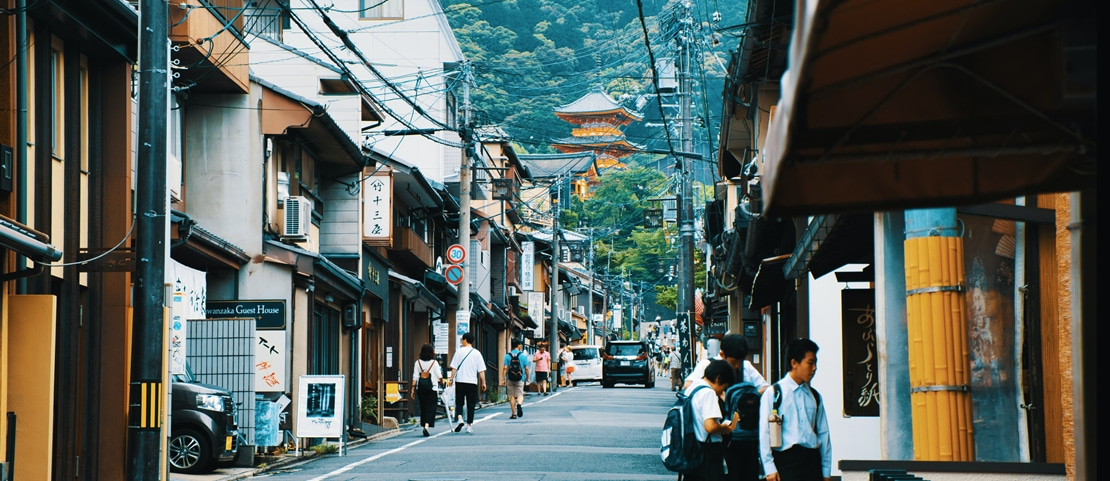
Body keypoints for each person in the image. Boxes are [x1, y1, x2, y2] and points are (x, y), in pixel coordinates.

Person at [759, 338, 831, 481]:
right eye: (810, 363)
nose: (814, 368)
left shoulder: (815, 396)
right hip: (786, 463)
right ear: (794, 363)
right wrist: (769, 468)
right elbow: (764, 433)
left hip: (812, 462)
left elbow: (824, 435)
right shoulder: (774, 393)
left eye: (815, 363)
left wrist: (826, 471)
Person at [719, 335, 769, 481]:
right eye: (734, 362)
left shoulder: (746, 367)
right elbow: (688, 384)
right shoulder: (710, 365)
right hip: (723, 434)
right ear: (722, 355)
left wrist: (749, 395)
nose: (737, 366)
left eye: (739, 362)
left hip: (747, 433)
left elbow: (765, 388)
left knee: (749, 473)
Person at [684, 359, 740, 481]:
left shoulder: (693, 387)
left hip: (691, 448)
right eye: (724, 387)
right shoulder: (708, 393)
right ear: (718, 379)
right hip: (707, 453)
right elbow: (710, 426)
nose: (722, 391)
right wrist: (725, 428)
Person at [448, 332, 487, 434]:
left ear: (465, 340)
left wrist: (451, 379)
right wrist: (484, 382)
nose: (462, 341)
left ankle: (460, 418)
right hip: (472, 382)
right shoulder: (477, 353)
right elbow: (481, 370)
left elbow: (454, 367)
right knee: (471, 404)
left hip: (460, 381)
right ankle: (469, 425)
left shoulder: (459, 352)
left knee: (459, 402)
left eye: (462, 340)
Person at [411, 343, 443, 437]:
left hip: (421, 388)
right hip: (432, 388)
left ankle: (424, 424)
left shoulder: (418, 363)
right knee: (431, 408)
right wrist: (441, 381)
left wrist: (413, 390)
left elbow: (415, 376)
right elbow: (439, 375)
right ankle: (426, 426)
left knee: (423, 407)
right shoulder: (434, 363)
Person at [502, 339, 531, 419]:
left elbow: (505, 368)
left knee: (512, 396)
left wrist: (503, 378)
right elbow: (526, 368)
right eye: (520, 344)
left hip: (510, 378)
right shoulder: (523, 356)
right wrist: (528, 378)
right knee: (520, 394)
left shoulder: (507, 356)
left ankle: (513, 413)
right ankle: (519, 404)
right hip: (520, 378)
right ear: (518, 345)